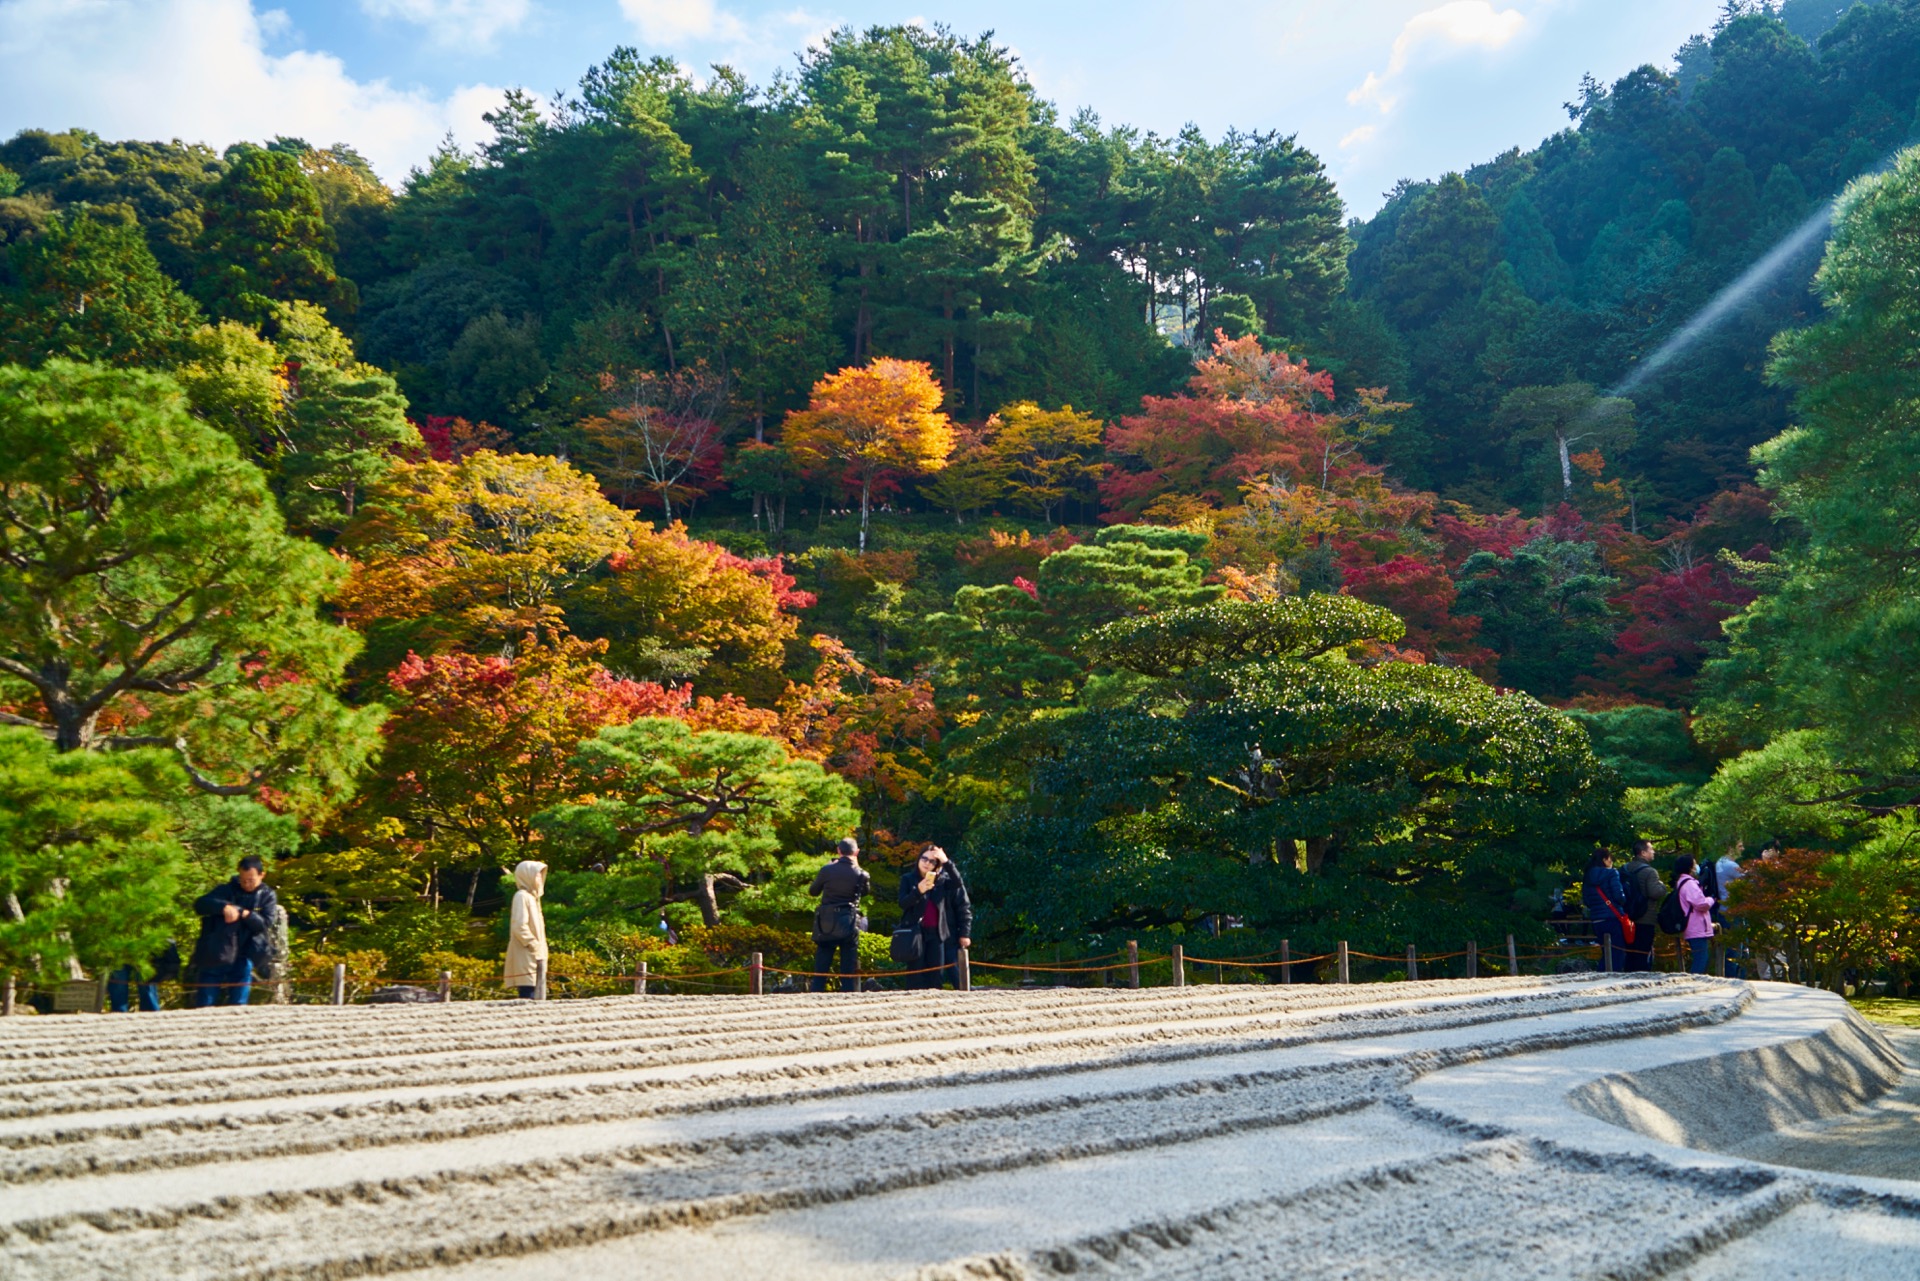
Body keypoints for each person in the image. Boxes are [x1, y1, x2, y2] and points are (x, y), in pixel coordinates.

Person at [192, 856, 276, 1007]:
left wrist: (245, 913)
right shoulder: (225, 890)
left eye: (251, 880)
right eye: (243, 879)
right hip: (218, 951)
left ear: (262, 875)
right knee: (205, 1001)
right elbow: (200, 904)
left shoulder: (267, 895)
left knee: (238, 1003)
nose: (246, 884)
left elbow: (265, 924)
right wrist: (223, 907)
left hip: (245, 953)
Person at [898, 846, 971, 990]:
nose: (927, 863)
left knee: (936, 975)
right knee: (915, 975)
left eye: (932, 861)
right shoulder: (908, 879)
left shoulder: (942, 881)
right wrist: (918, 891)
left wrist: (946, 861)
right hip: (915, 933)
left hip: (937, 933)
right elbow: (903, 903)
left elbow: (958, 883)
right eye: (924, 859)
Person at [808, 837, 869, 993]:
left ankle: (816, 993)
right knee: (848, 963)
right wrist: (858, 867)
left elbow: (813, 891)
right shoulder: (861, 873)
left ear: (838, 851)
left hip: (827, 921)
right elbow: (865, 892)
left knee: (822, 961)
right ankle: (847, 995)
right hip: (848, 920)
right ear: (857, 852)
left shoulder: (827, 870)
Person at [503, 860, 548, 999]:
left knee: (537, 993)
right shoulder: (521, 896)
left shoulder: (533, 898)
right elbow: (519, 925)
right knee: (529, 994)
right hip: (527, 954)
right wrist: (533, 944)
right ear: (526, 875)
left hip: (535, 955)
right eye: (536, 875)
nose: (540, 879)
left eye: (541, 875)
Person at [1581, 847, 1629, 972]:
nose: (1611, 862)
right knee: (1617, 953)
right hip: (1612, 917)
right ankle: (1609, 979)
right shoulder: (1611, 873)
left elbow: (1586, 900)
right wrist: (1624, 898)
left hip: (1596, 919)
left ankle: (1601, 976)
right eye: (1610, 859)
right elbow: (1619, 896)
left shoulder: (1587, 876)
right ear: (1605, 859)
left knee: (1606, 952)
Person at [1620, 839, 1666, 973]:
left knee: (1629, 953)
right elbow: (1654, 892)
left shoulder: (1624, 869)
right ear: (1643, 853)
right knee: (1642, 953)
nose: (1654, 851)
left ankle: (1627, 981)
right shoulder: (1650, 872)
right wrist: (1662, 886)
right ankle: (1641, 982)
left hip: (1626, 917)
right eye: (1651, 849)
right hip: (1645, 917)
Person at [1673, 855, 1717, 974]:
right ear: (1689, 867)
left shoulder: (1683, 882)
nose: (1696, 866)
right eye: (1694, 863)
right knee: (1700, 960)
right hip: (1696, 927)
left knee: (1700, 958)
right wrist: (1711, 899)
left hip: (1693, 926)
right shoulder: (1689, 884)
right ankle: (1693, 984)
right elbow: (1701, 904)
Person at [108, 943, 180, 1013]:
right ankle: (120, 1019)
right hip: (118, 949)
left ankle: (151, 1018)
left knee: (147, 988)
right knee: (118, 987)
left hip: (144, 949)